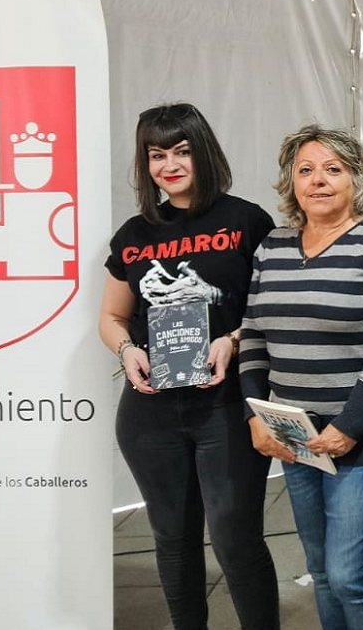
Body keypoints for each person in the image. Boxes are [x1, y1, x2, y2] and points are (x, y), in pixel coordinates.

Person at [99, 102, 280, 630]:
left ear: (202, 152)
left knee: (235, 538)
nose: (170, 165)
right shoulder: (133, 235)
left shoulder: (247, 221)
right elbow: (112, 317)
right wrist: (126, 351)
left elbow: (272, 307)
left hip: (227, 407)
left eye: (181, 151)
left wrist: (233, 339)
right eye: (157, 155)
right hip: (150, 413)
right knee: (172, 540)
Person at [239, 126, 363, 630]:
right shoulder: (272, 246)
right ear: (291, 182)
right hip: (294, 431)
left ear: (356, 179)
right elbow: (252, 334)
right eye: (306, 170)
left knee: (349, 573)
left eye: (333, 169)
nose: (318, 180)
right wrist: (255, 414)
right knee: (320, 570)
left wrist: (349, 425)